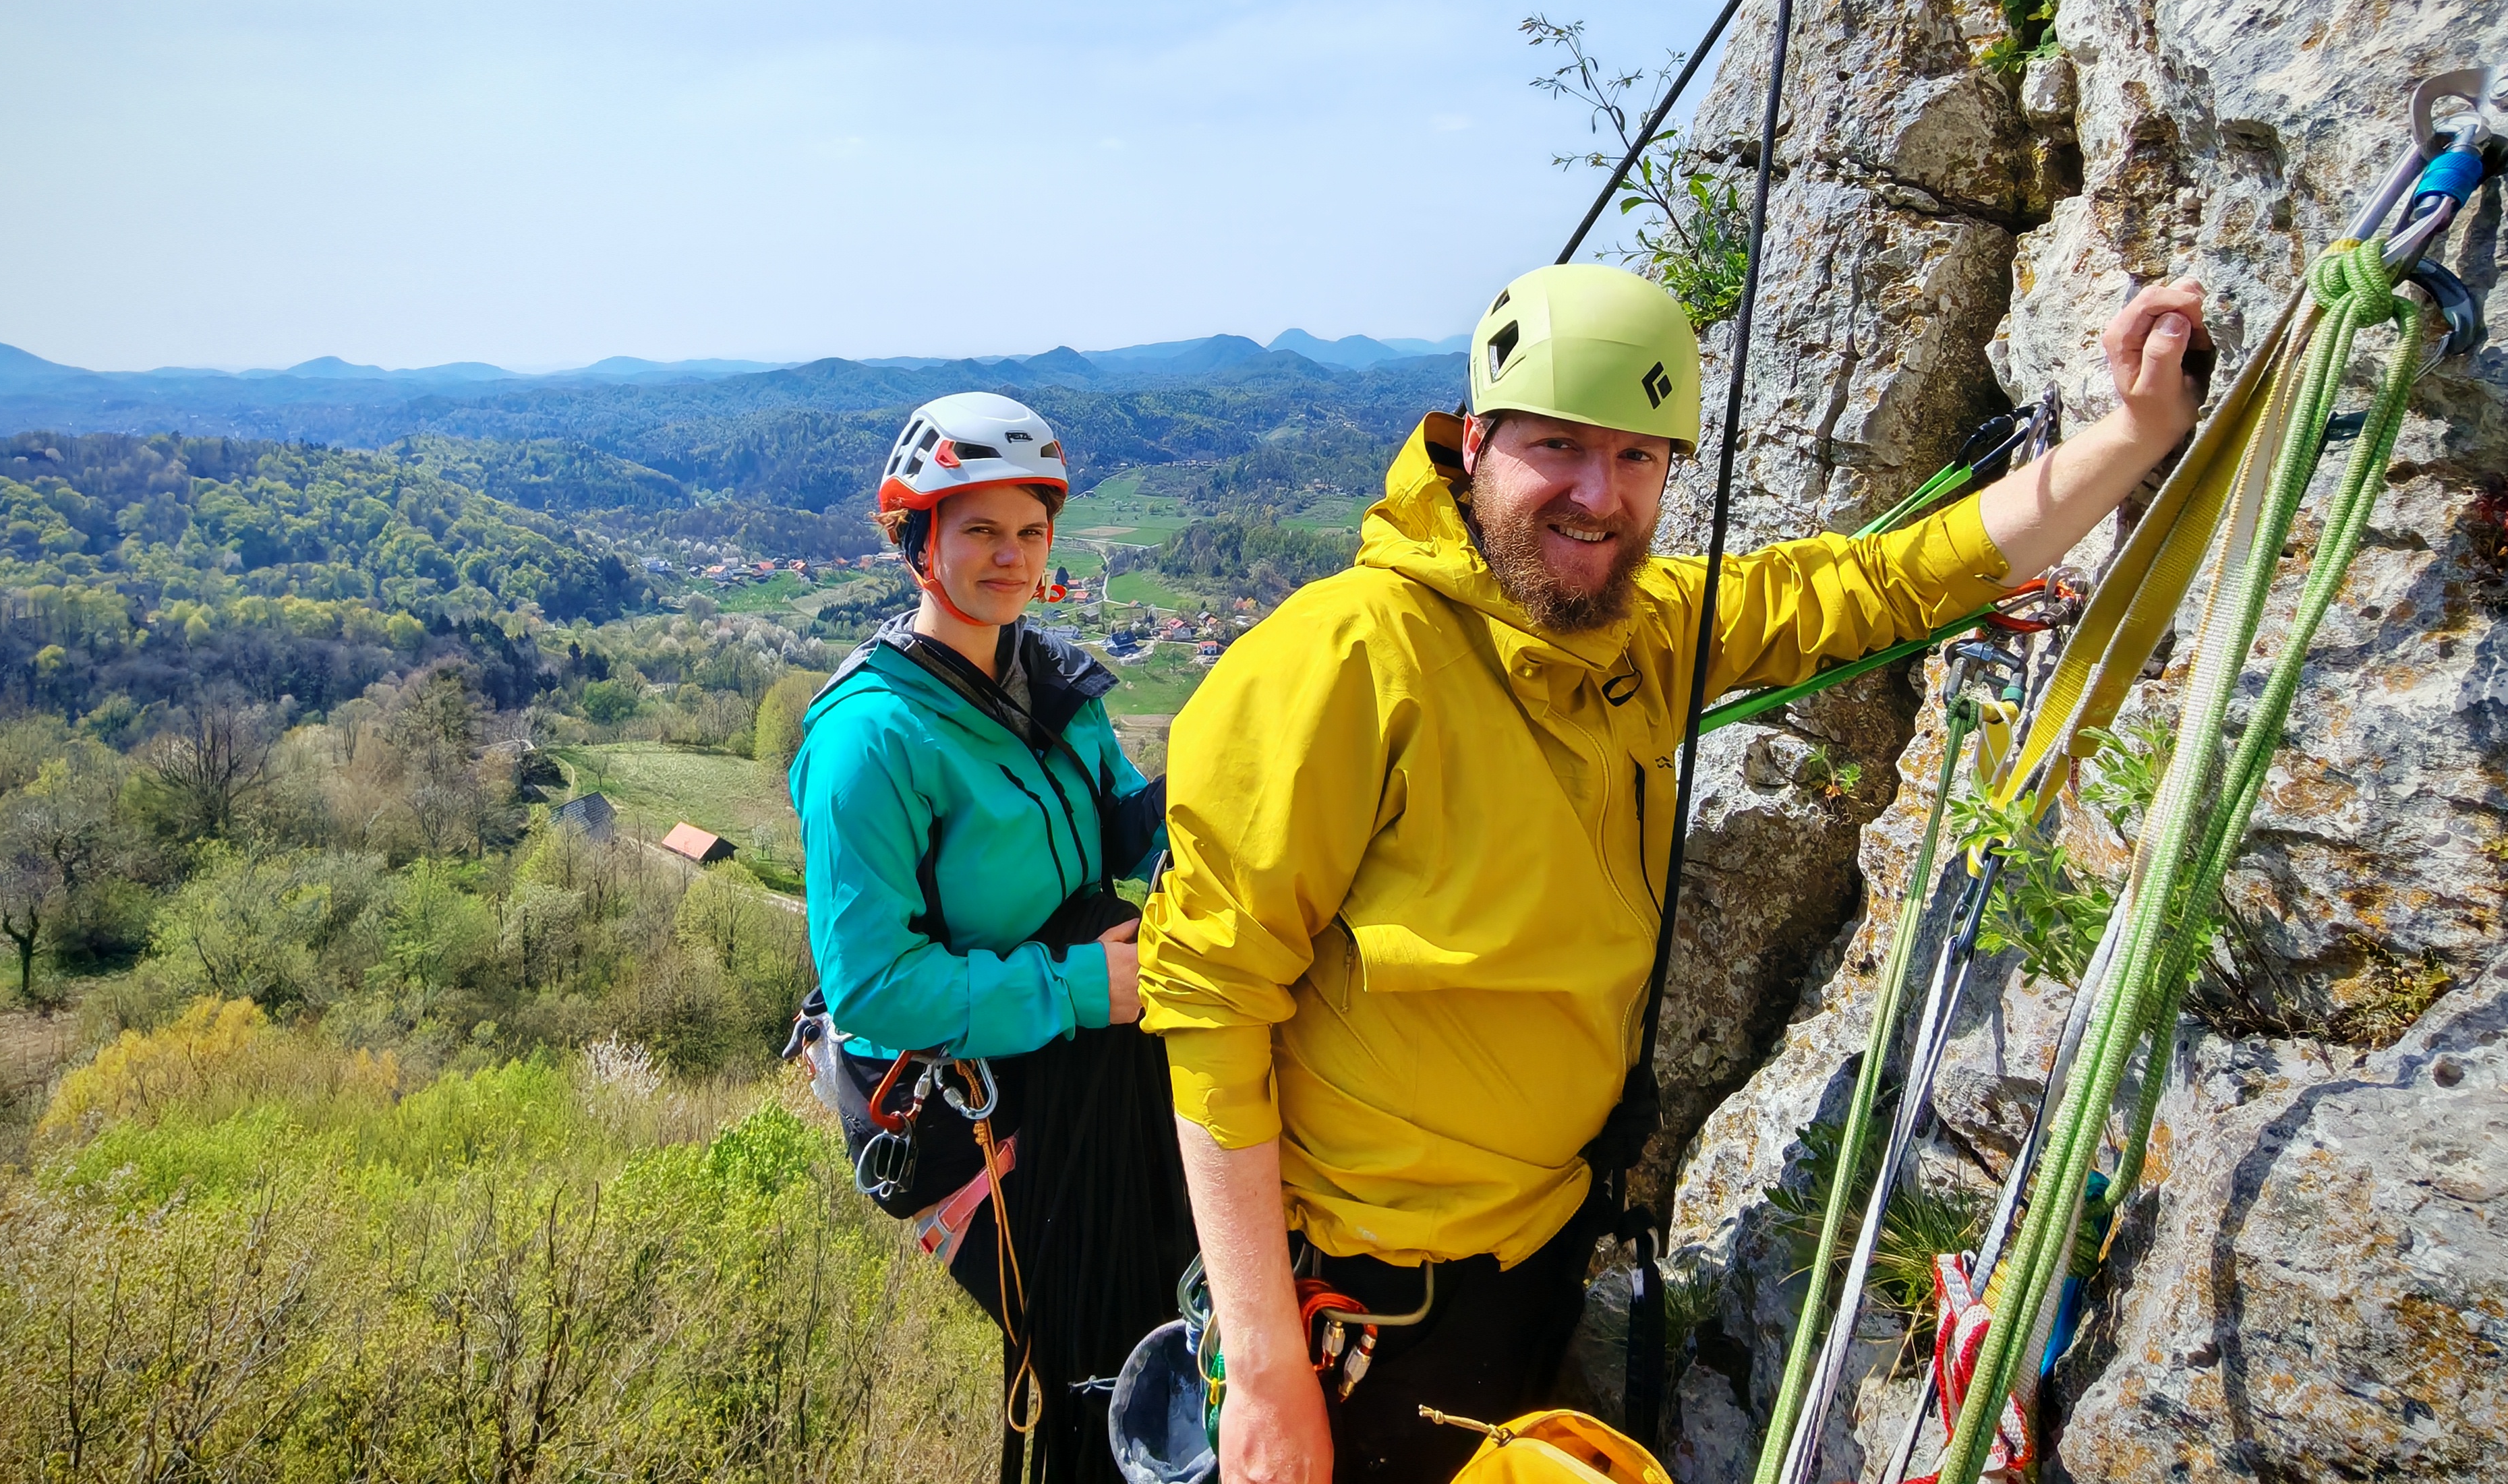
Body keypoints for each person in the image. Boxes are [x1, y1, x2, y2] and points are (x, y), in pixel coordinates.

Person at [1138, 261, 2215, 1483]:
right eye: (1560, 447)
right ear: (1473, 443)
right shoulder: (1340, 663)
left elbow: (1886, 584)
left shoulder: (1640, 634)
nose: (1601, 497)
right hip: (1373, 1307)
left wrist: (2137, 433)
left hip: (1545, 1246)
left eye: (1640, 457)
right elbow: (1210, 1003)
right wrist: (1270, 1373)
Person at [788, 390, 1193, 1481]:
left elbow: (1115, 823)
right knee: (1088, 1354)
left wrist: (1214, 796)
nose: (1010, 558)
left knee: (1172, 1290)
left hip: (1085, 1037)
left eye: (1030, 532)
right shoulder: (871, 740)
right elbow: (874, 986)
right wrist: (1084, 990)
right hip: (970, 1096)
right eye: (978, 530)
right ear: (917, 540)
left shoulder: (1045, 680)